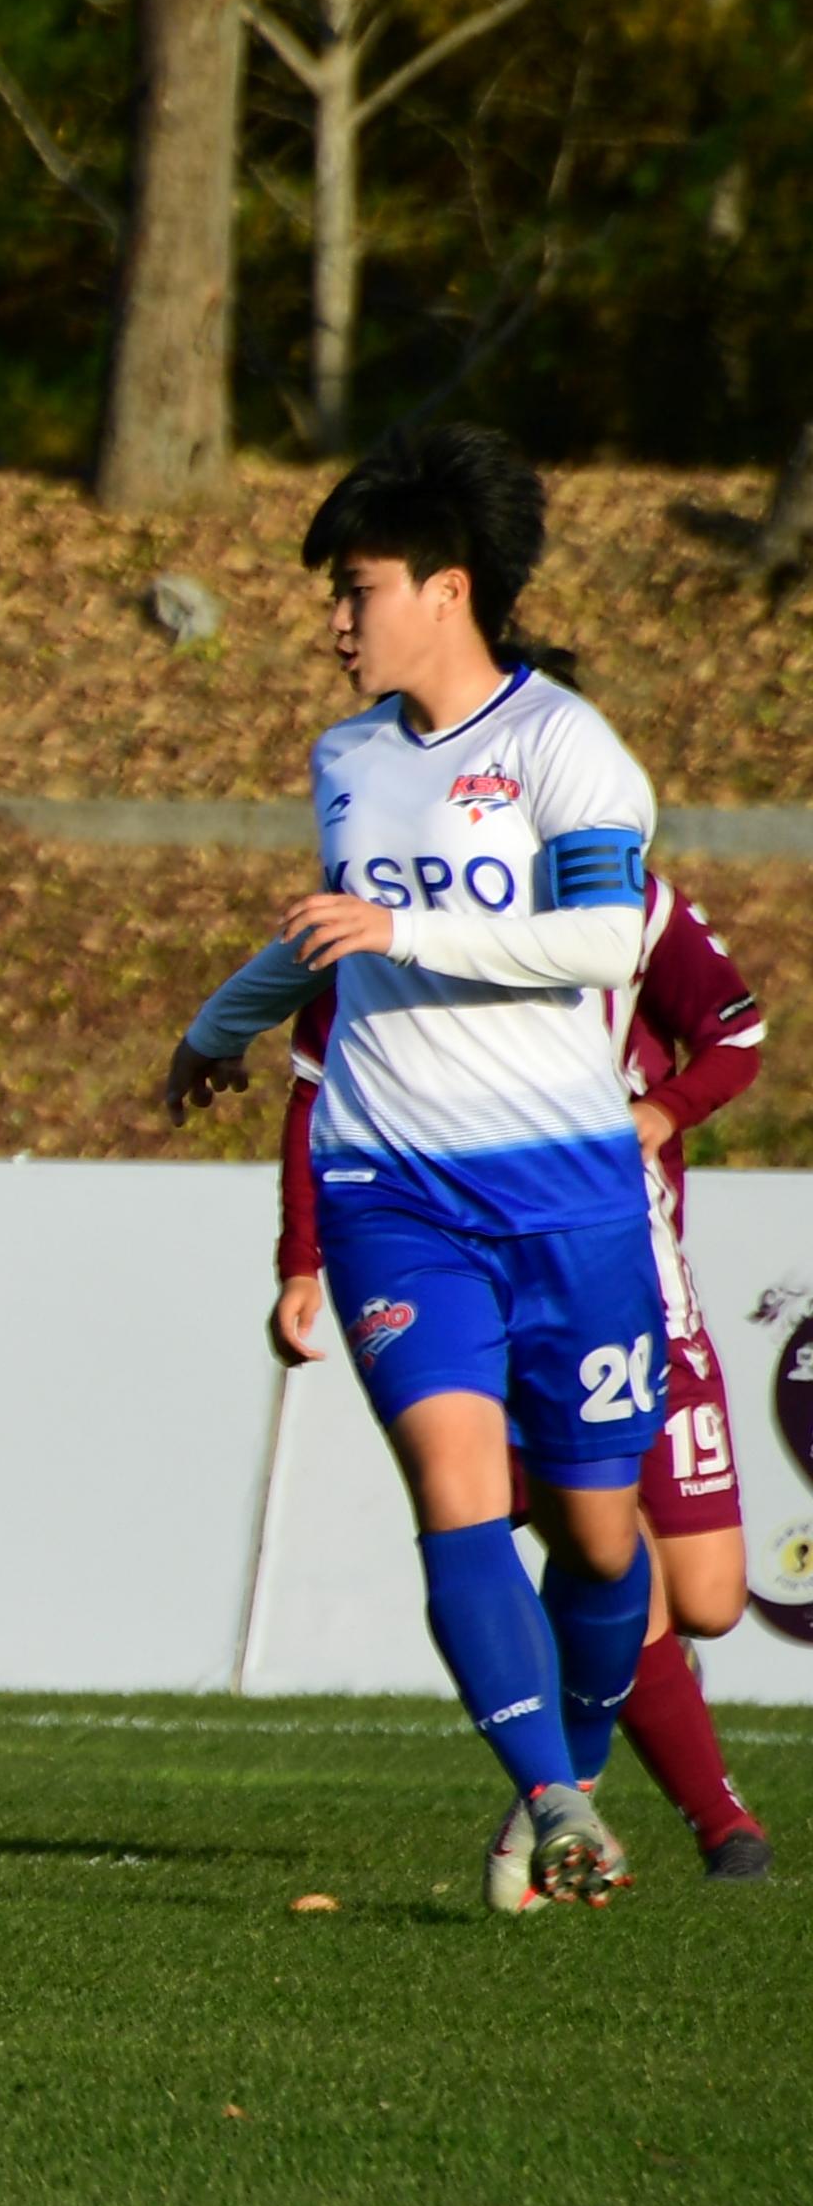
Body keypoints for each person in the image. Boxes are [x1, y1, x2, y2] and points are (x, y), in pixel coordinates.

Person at [166, 428, 664, 1911]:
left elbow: (602, 944)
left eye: (357, 588)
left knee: (595, 1533)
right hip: (393, 1191)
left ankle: (567, 1775)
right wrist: (220, 1024)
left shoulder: (561, 749)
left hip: (568, 1199)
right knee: (454, 1496)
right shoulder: (348, 758)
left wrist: (408, 933)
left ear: (447, 591)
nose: (335, 620)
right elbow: (331, 928)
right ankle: (557, 1802)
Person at [275, 878, 771, 1889]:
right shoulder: (396, 903)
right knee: (592, 1535)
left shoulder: (621, 903)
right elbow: (313, 1080)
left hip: (637, 1285)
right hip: (481, 1280)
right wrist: (301, 1257)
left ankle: (586, 1761)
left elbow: (735, 1031)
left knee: (707, 1594)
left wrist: (663, 1112)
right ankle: (692, 1820)